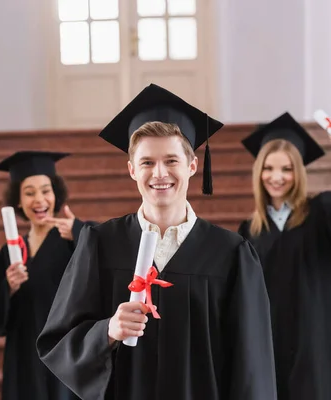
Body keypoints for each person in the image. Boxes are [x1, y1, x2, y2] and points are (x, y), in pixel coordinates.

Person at [36, 84, 277, 400]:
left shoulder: (231, 254)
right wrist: (108, 330)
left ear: (192, 166)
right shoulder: (100, 244)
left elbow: (252, 367)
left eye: (172, 161)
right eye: (147, 162)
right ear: (132, 170)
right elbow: (58, 341)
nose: (160, 173)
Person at [238, 112, 331, 400]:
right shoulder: (250, 231)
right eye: (269, 168)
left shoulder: (325, 212)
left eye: (287, 169)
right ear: (259, 172)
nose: (277, 177)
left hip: (321, 346)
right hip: (274, 345)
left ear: (299, 172)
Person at [0, 150, 93, 400]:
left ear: (56, 195)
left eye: (46, 190)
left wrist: (79, 230)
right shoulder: (9, 252)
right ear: (18, 201)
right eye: (29, 192)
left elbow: (113, 249)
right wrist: (8, 288)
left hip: (65, 352)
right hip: (22, 355)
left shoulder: (74, 239)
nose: (39, 199)